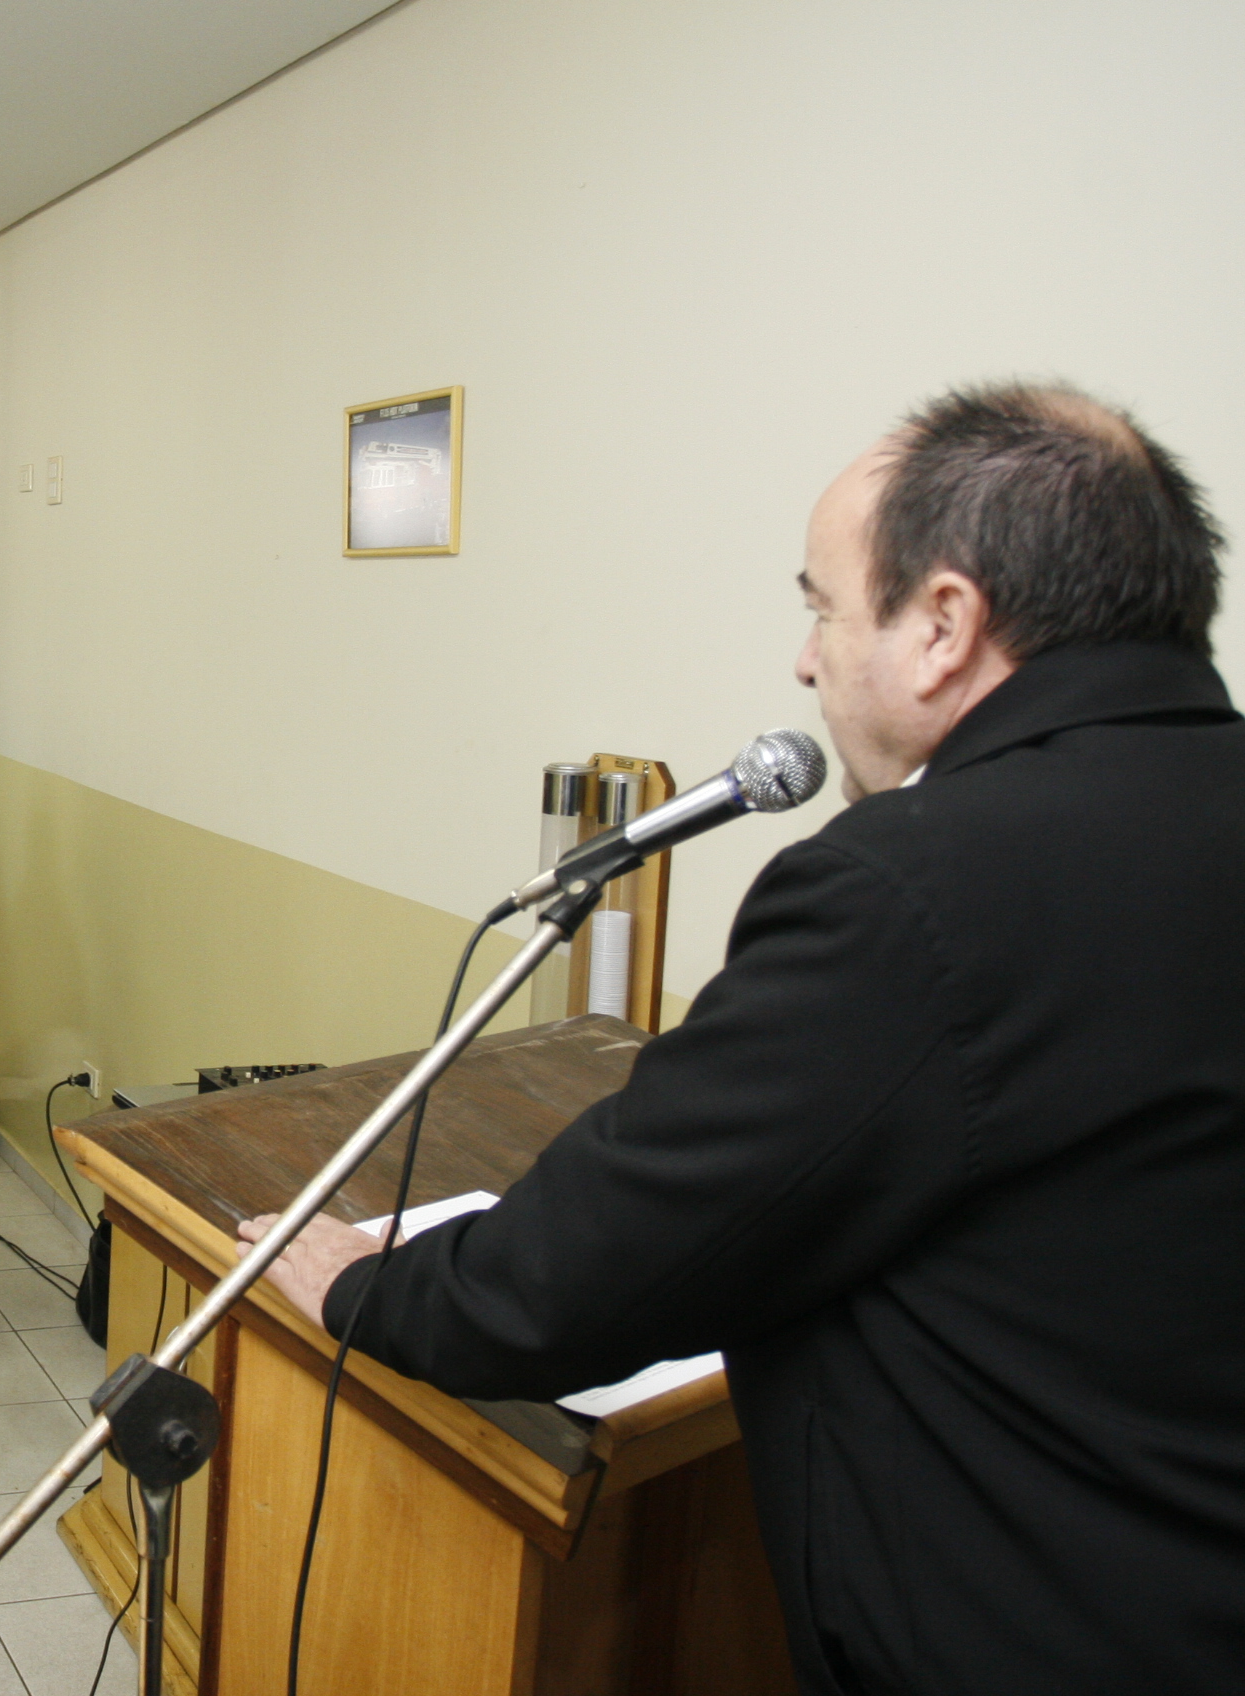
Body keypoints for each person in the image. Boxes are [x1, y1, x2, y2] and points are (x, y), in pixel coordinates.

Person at [246, 383, 1245, 1696]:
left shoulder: (915, 885)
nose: (804, 658)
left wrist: (358, 1285)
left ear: (943, 623)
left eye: (822, 605)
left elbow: (581, 1276)